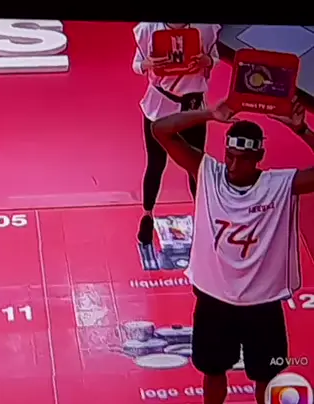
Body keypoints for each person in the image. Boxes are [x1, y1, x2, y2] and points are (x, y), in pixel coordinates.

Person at [151, 99, 314, 404]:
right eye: (230, 156)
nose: (235, 166)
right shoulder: (207, 172)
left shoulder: (280, 185)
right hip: (214, 301)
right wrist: (210, 114)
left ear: (260, 157)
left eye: (245, 159)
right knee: (213, 371)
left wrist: (302, 130)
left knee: (267, 376)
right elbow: (160, 129)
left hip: (262, 304)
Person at [132, 22, 223, 244]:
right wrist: (147, 63)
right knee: (156, 164)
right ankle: (147, 215)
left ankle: (203, 219)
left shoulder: (205, 28)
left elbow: (215, 58)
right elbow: (136, 64)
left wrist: (207, 61)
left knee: (196, 167)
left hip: (192, 107)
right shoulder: (148, 29)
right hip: (159, 106)